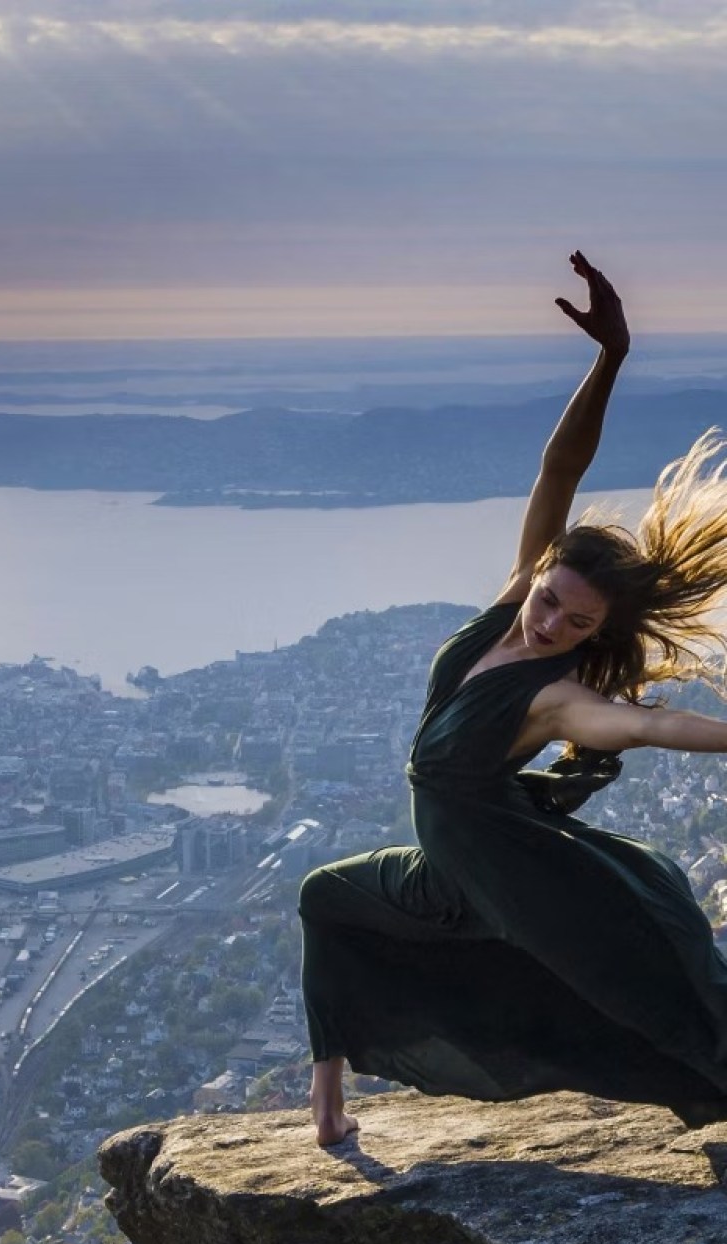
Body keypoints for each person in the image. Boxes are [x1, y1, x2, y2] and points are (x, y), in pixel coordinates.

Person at [299, 250, 727, 1146]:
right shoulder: (512, 602)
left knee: (653, 1010)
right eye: (547, 600)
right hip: (444, 871)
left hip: (506, 880)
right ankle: (328, 1107)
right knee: (322, 897)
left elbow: (653, 724)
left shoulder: (558, 699)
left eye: (575, 623)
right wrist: (609, 360)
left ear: (594, 633)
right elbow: (559, 471)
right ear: (535, 575)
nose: (547, 625)